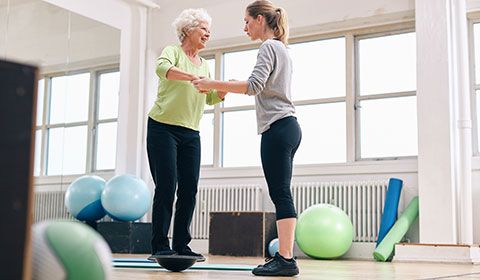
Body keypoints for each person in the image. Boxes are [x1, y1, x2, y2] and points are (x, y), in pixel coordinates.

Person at [192, 0, 301, 276]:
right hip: (288, 126)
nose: (245, 27)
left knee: (280, 193)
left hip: (277, 127)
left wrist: (212, 83)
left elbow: (254, 86)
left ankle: (286, 259)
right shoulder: (283, 49)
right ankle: (286, 257)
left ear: (261, 19)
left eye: (247, 21)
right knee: (281, 192)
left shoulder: (269, 46)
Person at [147, 8, 226, 261]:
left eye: (208, 29)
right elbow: (163, 69)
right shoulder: (173, 51)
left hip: (191, 133)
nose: (208, 33)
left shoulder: (206, 65)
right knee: (167, 186)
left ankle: (182, 244)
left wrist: (221, 91)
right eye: (203, 28)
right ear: (188, 30)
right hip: (162, 128)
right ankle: (160, 244)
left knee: (189, 188)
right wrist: (193, 77)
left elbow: (209, 97)